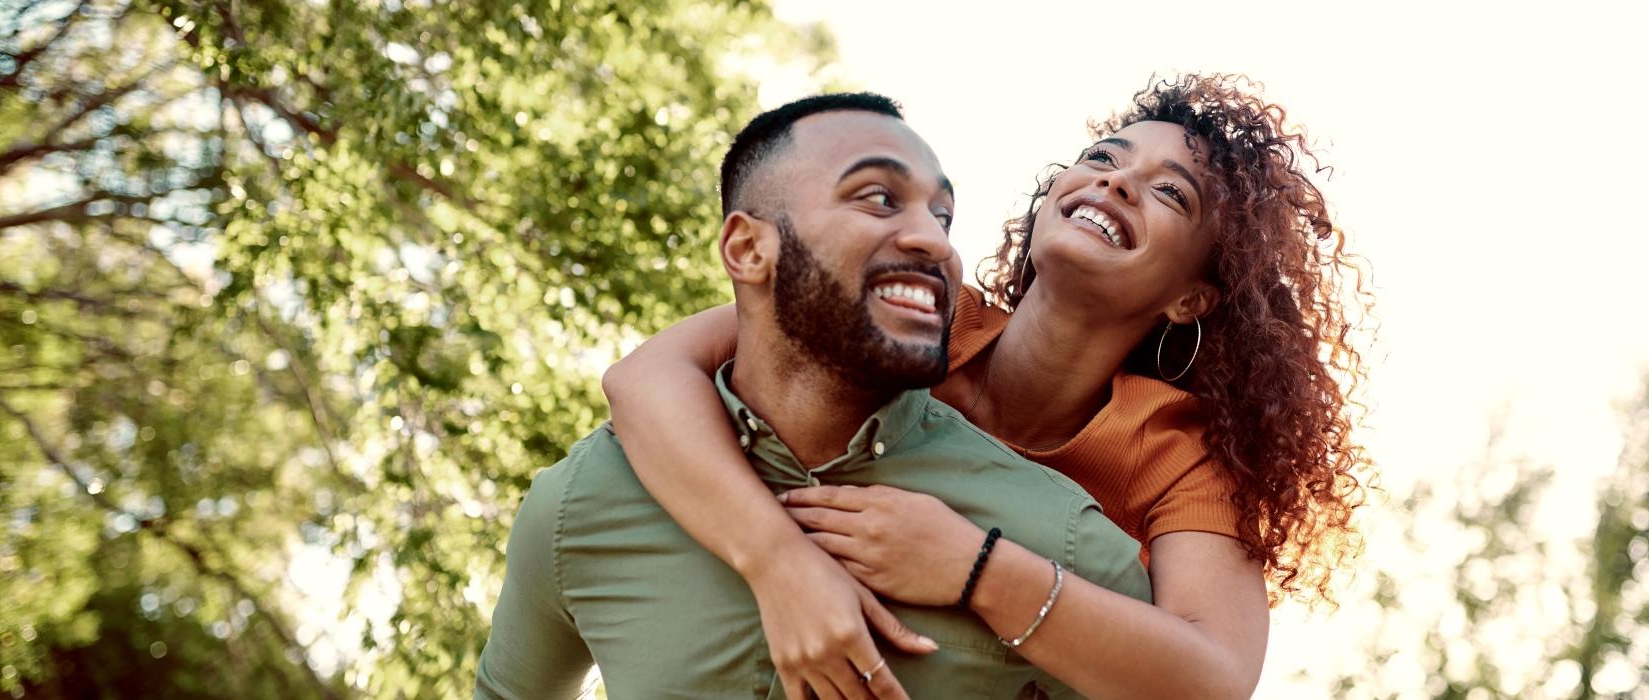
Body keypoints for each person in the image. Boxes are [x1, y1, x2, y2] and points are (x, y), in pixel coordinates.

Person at [602, 73, 1372, 699]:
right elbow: (645, 377)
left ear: (1191, 298)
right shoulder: (919, 314)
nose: (1116, 182)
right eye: (1103, 157)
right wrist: (778, 565)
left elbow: (1215, 678)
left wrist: (974, 566)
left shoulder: (1176, 451)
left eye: (1171, 193)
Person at [475, 93, 1156, 700]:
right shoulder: (583, 502)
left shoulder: (1067, 546)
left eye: (943, 217)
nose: (934, 241)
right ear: (748, 250)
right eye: (879, 198)